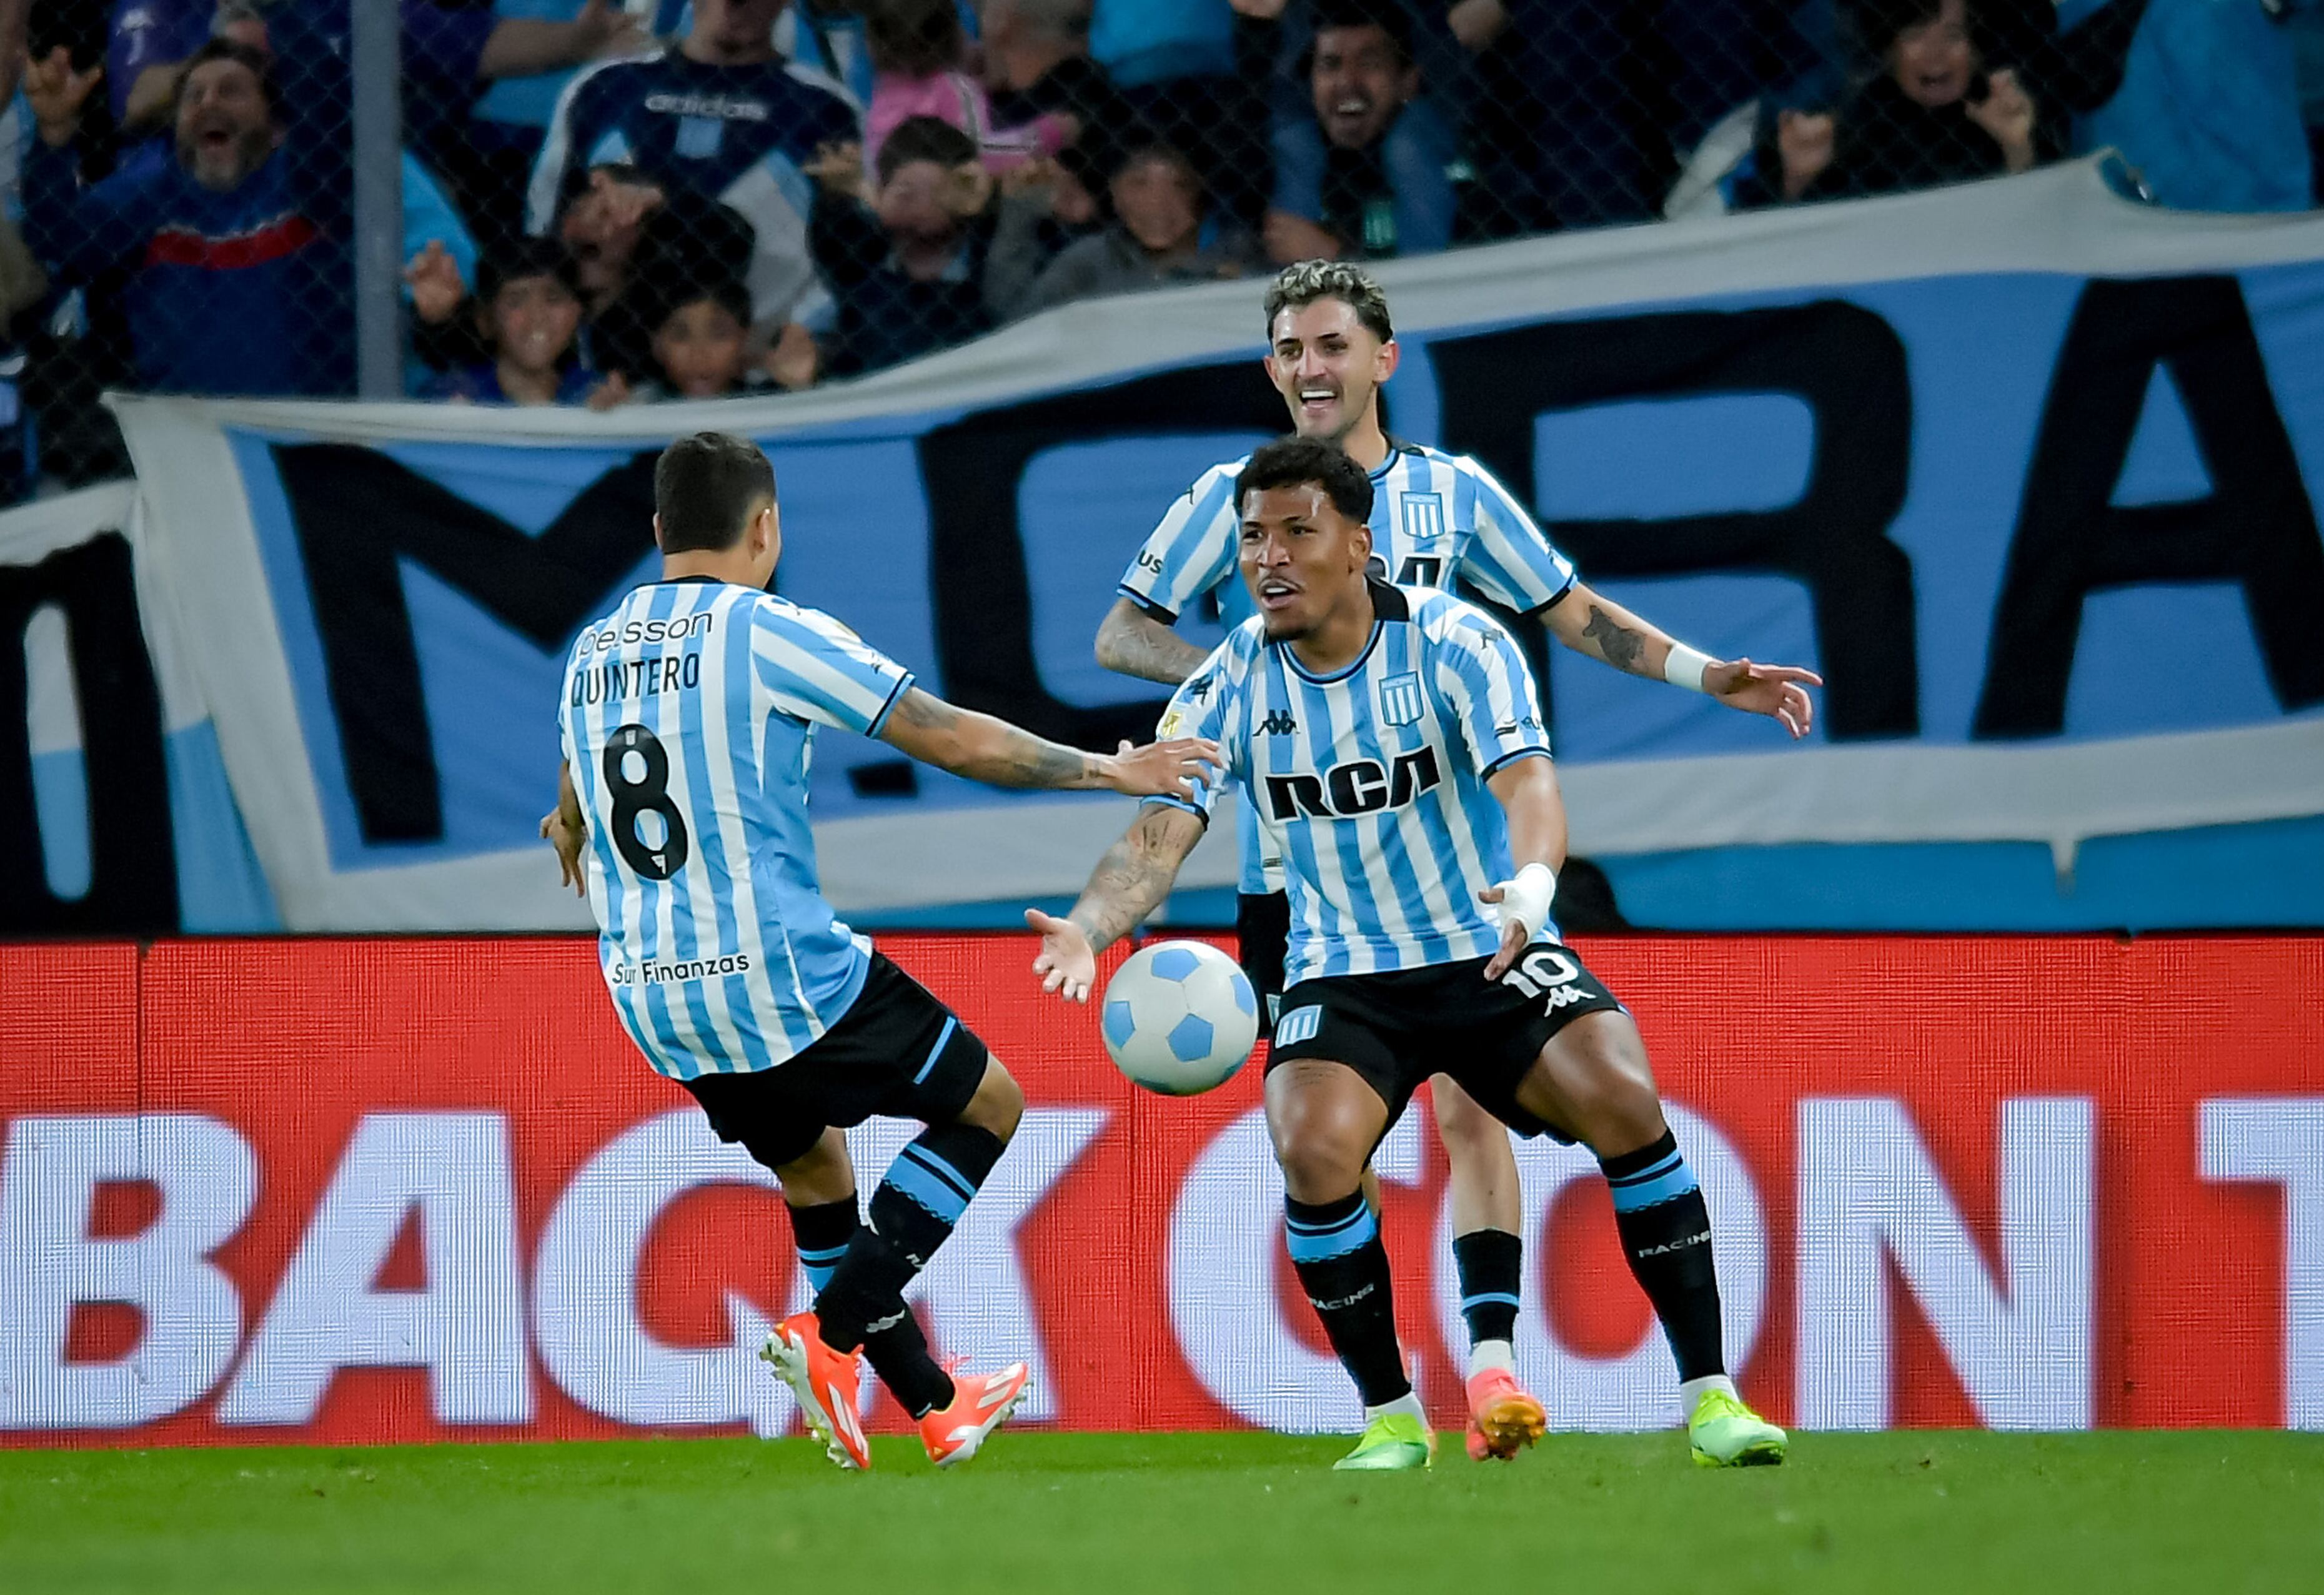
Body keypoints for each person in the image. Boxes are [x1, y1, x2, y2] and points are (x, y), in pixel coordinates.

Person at [1091, 258, 1820, 1463]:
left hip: (1458, 869)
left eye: (1331, 344)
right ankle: (1398, 1392)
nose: (1310, 368)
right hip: (1300, 875)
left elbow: (1574, 612)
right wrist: (1255, 686)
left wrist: (1707, 675)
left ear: (1384, 358)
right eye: (1289, 350)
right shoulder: (1239, 495)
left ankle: (1490, 1365)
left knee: (1480, 1107)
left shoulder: (1455, 496)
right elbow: (1124, 630)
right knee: (1331, 1138)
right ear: (1271, 369)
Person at [540, 431, 1218, 1471]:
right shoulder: (767, 630)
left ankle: (934, 1403)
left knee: (815, 1163)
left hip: (651, 990)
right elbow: (948, 735)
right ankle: (829, 1334)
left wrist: (569, 826)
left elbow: (578, 800)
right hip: (777, 966)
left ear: (660, 532)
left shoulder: (594, 652)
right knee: (988, 1101)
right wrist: (1113, 771)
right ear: (764, 528)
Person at [19, 38, 352, 395]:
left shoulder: (306, 182)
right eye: (193, 96)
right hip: (190, 436)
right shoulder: (152, 198)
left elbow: (326, 97)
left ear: (276, 128)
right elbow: (61, 239)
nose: (209, 103)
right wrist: (54, 139)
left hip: (312, 433)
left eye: (232, 91)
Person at [525, 0, 862, 354]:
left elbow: (850, 258)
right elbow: (542, 232)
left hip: (760, 371)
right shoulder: (603, 89)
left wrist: (793, 346)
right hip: (604, 368)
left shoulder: (826, 110)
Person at [1772, 0, 2040, 203]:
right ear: (1890, 52)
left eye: (1953, 35)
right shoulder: (1862, 118)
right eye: (1915, 35)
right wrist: (1799, 178)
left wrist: (2016, 147)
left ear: (1976, 52)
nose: (1935, 54)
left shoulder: (2000, 108)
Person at [1264, 2, 1459, 264]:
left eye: (1369, 64)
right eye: (1330, 65)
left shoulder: (1444, 164)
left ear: (1408, 82)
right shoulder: (1296, 151)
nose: (1347, 82)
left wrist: (1333, 257)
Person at [806, 116, 996, 376]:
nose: (920, 208)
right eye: (906, 195)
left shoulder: (987, 258)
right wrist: (835, 199)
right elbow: (833, 245)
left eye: (936, 193)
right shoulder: (864, 261)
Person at [1002, 139, 1259, 317]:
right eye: (1139, 183)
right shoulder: (1089, 261)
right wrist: (1018, 216)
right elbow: (1015, 318)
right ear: (1115, 194)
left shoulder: (1238, 254)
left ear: (1199, 192)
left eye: (1179, 185)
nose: (1158, 203)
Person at [417, 240, 603, 404]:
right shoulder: (457, 394)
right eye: (516, 302)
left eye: (553, 299)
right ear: (485, 320)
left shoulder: (591, 392)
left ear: (577, 312)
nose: (537, 316)